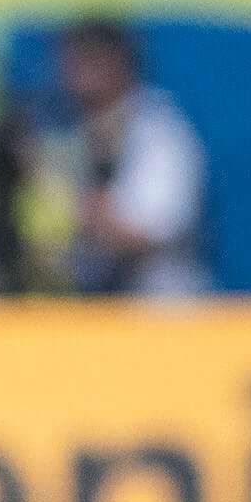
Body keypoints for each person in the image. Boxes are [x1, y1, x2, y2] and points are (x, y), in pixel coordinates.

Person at [47, 16, 207, 298]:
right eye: (67, 65)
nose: (73, 79)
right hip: (89, 309)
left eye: (84, 63)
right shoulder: (70, 130)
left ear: (116, 62)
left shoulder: (161, 134)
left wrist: (61, 200)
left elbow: (145, 234)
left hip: (161, 307)